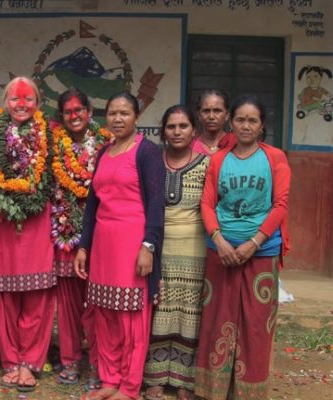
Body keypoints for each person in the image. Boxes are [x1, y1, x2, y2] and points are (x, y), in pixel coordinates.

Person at [194, 95, 291, 400]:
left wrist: (254, 243)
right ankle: (213, 390)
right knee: (216, 320)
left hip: (262, 252)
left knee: (256, 323)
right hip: (220, 252)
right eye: (240, 119)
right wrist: (219, 240)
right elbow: (207, 203)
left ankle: (250, 392)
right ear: (231, 122)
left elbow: (280, 204)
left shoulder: (275, 158)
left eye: (252, 120)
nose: (246, 126)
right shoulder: (219, 160)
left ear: (262, 125)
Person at [75, 92, 165, 400]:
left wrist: (148, 246)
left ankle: (128, 387)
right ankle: (110, 379)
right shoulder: (104, 152)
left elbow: (156, 203)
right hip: (103, 246)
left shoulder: (147, 152)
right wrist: (84, 247)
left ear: (136, 116)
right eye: (112, 113)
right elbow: (92, 205)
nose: (117, 118)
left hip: (133, 245)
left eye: (124, 113)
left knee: (131, 320)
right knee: (105, 315)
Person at [0, 77, 56, 392]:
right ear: (5, 102)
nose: (22, 105)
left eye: (28, 99)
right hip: (5, 224)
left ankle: (31, 362)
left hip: (39, 223)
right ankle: (11, 361)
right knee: (7, 296)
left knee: (37, 296)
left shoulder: (51, 133)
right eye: (15, 98)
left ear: (38, 103)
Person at [143, 106, 209, 400]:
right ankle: (155, 377)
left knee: (189, 314)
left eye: (183, 126)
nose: (177, 132)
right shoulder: (152, 162)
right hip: (157, 248)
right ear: (163, 131)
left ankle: (184, 380)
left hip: (194, 250)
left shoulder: (207, 165)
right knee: (158, 309)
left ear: (194, 130)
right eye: (171, 126)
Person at [50, 89, 111, 388]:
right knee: (68, 304)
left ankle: (99, 364)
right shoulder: (51, 144)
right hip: (64, 234)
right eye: (68, 112)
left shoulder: (107, 144)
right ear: (61, 116)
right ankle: (71, 360)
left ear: (89, 111)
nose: (74, 116)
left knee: (98, 303)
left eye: (79, 110)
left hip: (99, 235)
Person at [192, 89, 233, 155]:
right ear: (199, 115)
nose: (211, 117)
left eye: (217, 111)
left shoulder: (235, 145)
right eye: (206, 111)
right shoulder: (190, 146)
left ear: (227, 115)